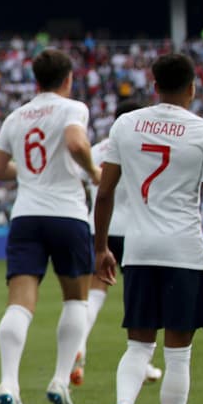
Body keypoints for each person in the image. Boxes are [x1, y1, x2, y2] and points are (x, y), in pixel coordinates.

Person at [94, 53, 203, 404]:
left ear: (153, 86)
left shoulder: (126, 124)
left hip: (138, 249)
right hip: (184, 253)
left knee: (138, 346)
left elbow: (104, 193)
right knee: (179, 355)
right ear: (193, 87)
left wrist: (101, 248)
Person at [0, 48, 100, 404]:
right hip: (67, 214)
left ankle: (8, 384)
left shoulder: (17, 116)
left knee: (19, 304)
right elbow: (76, 144)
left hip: (27, 217)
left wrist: (29, 172)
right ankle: (60, 380)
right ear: (68, 79)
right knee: (76, 299)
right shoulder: (72, 108)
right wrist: (93, 172)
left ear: (36, 80)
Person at [72, 99, 162, 389]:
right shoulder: (145, 148)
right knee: (141, 298)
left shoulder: (97, 150)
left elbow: (84, 182)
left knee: (94, 293)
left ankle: (79, 346)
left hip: (99, 228)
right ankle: (142, 363)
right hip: (136, 228)